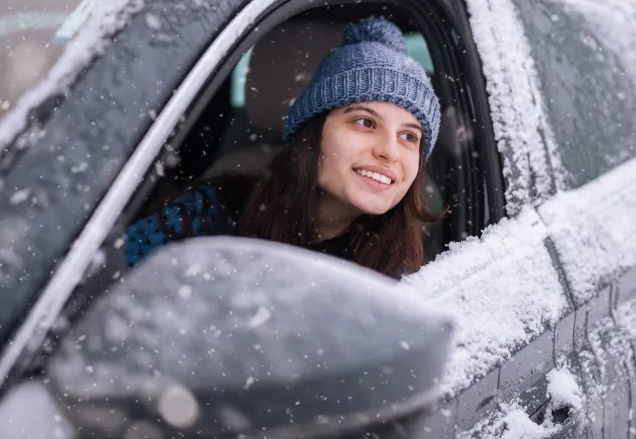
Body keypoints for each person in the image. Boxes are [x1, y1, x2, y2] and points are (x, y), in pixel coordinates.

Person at [123, 16, 443, 278]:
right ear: (313, 132)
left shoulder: (405, 275)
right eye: (365, 122)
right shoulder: (212, 213)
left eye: (409, 137)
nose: (390, 151)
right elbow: (102, 285)